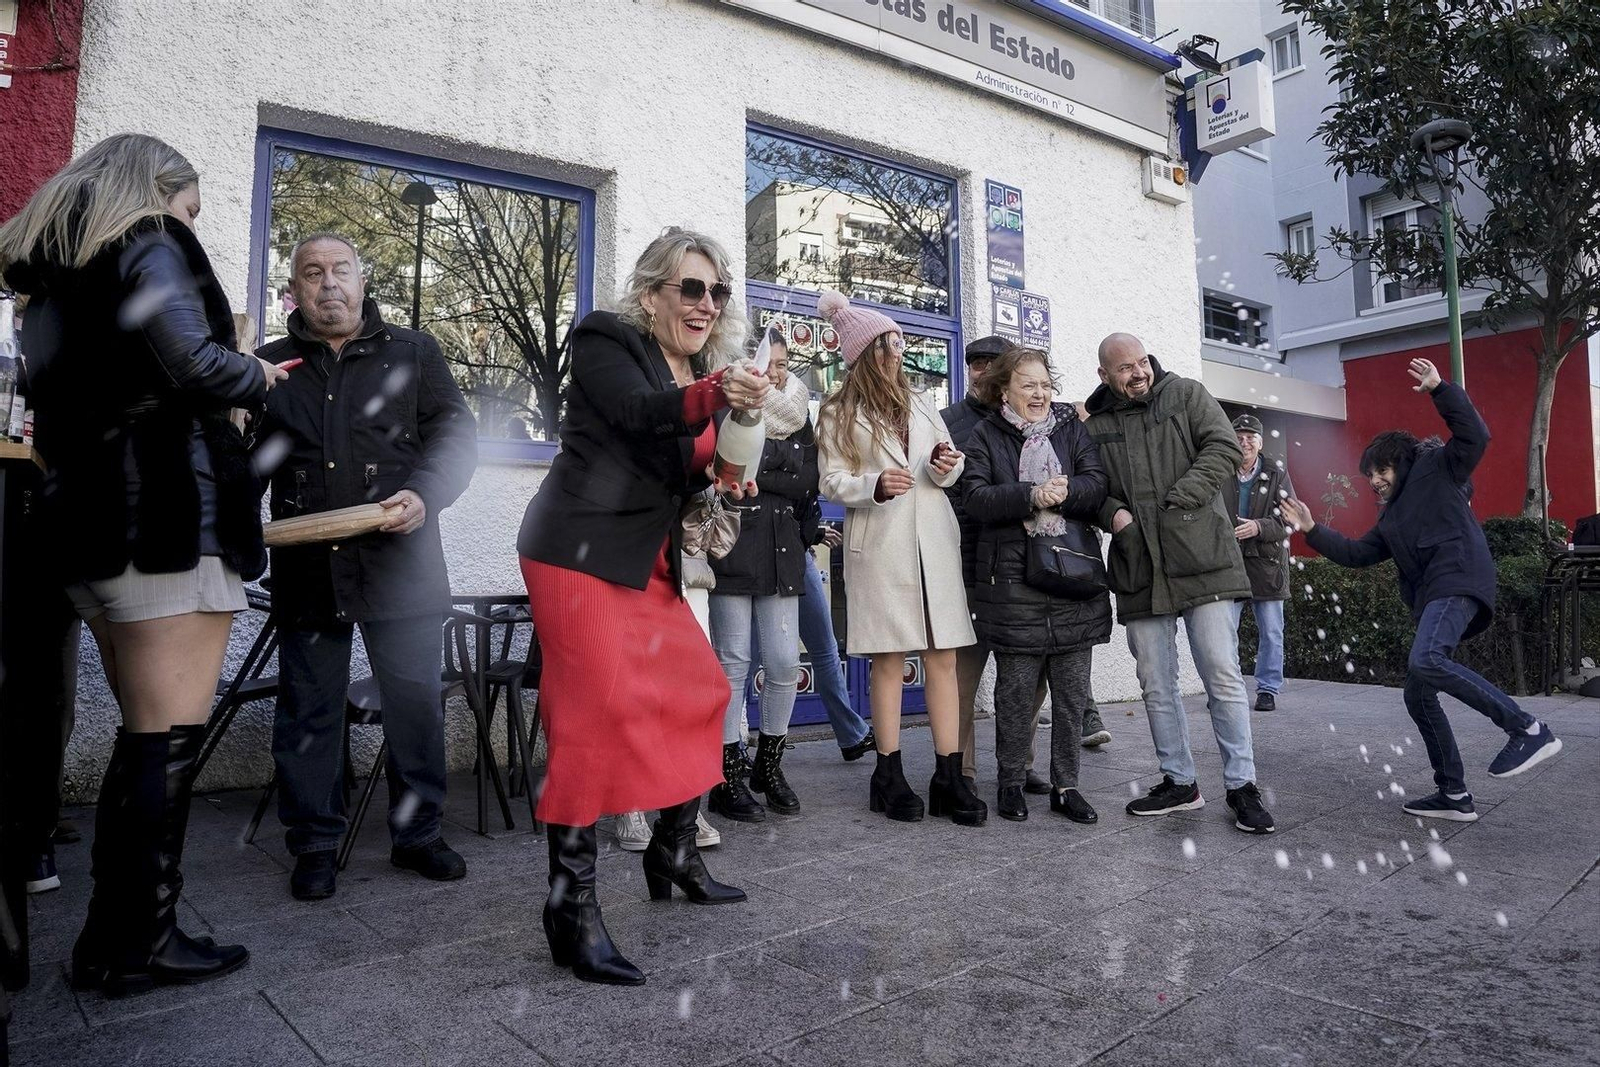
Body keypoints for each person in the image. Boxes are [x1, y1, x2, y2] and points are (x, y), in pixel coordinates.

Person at [0, 133, 284, 994]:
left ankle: (110, 938)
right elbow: (191, 363)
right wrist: (257, 377)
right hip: (163, 517)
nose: (190, 223)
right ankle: (139, 942)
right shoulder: (147, 237)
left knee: (144, 738)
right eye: (190, 207)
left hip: (84, 524)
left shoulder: (50, 279)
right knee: (163, 743)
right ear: (158, 188)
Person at [517, 228, 768, 985]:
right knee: (590, 722)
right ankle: (571, 907)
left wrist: (726, 478)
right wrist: (715, 394)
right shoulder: (607, 338)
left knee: (703, 691)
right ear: (654, 290)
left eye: (716, 292)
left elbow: (681, 462)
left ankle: (675, 851)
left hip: (645, 559)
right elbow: (635, 414)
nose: (705, 303)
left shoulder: (701, 370)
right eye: (690, 287)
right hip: (576, 552)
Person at [252, 233, 478, 901]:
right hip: (306, 567)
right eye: (313, 272)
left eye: (340, 270)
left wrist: (427, 492)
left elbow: (456, 433)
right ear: (295, 288)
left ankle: (418, 835)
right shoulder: (271, 366)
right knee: (310, 711)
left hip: (400, 564)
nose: (328, 284)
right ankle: (316, 843)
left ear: (362, 277)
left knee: (412, 705)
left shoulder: (414, 352)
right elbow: (245, 462)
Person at [1280, 359, 1562, 821]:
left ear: (1403, 462)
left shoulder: (1436, 468)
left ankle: (1527, 728)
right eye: (1369, 474)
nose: (1375, 480)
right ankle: (1453, 793)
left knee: (1427, 660)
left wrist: (1439, 389)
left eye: (1382, 469)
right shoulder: (1390, 519)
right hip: (1438, 594)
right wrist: (1312, 529)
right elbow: (1356, 554)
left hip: (1458, 578)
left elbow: (1476, 437)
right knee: (1418, 691)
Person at [1085, 333, 1275, 834]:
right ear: (1105, 375)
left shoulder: (1186, 393)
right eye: (1124, 368)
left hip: (1205, 556)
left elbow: (1223, 446)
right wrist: (1116, 515)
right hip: (1139, 564)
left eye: (1142, 361)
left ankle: (1243, 786)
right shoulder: (1097, 424)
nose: (1138, 372)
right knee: (1155, 683)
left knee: (1221, 674)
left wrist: (1184, 496)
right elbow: (1090, 487)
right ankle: (1180, 782)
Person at [815, 290, 986, 826]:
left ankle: (948, 773)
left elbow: (944, 471)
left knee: (942, 656)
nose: (898, 350)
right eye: (889, 343)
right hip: (883, 544)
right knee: (889, 660)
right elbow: (832, 479)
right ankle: (886, 775)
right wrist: (874, 485)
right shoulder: (839, 410)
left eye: (898, 341)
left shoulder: (922, 404)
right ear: (866, 353)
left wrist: (944, 464)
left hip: (932, 541)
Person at [942, 338, 1107, 792]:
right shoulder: (977, 432)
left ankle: (1054, 781)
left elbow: (1096, 484)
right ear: (1003, 390)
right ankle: (974, 776)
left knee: (1055, 692)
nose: (1038, 394)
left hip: (1067, 575)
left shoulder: (1070, 428)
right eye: (1026, 385)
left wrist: (1065, 490)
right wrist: (1029, 495)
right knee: (997, 686)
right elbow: (971, 497)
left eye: (1044, 385)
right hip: (999, 574)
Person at [708, 330, 817, 821]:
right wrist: (777, 472)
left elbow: (809, 479)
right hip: (733, 546)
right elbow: (726, 472)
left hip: (782, 549)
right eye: (768, 362)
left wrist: (764, 471)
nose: (775, 372)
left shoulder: (798, 412)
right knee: (732, 663)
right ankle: (727, 773)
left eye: (783, 362)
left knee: (782, 664)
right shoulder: (730, 407)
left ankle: (768, 765)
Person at [1229, 413, 1295, 712]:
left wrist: (1258, 527)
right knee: (1223, 631)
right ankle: (1227, 689)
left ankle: (1268, 689)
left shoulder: (1276, 473)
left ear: (1261, 442)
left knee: (1271, 631)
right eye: (1239, 436)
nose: (1244, 442)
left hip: (1267, 564)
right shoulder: (1220, 470)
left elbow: (1288, 519)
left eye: (1250, 437)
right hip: (1228, 563)